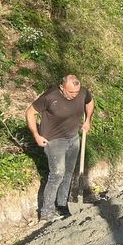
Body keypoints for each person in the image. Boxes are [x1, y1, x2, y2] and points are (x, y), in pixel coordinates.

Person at [25, 75, 94, 221]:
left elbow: (89, 102)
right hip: (55, 141)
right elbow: (29, 113)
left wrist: (87, 120)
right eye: (71, 92)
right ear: (62, 88)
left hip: (73, 137)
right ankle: (47, 212)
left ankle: (62, 205)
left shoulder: (82, 92)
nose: (74, 95)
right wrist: (37, 135)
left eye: (76, 92)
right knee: (57, 174)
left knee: (68, 173)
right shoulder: (50, 97)